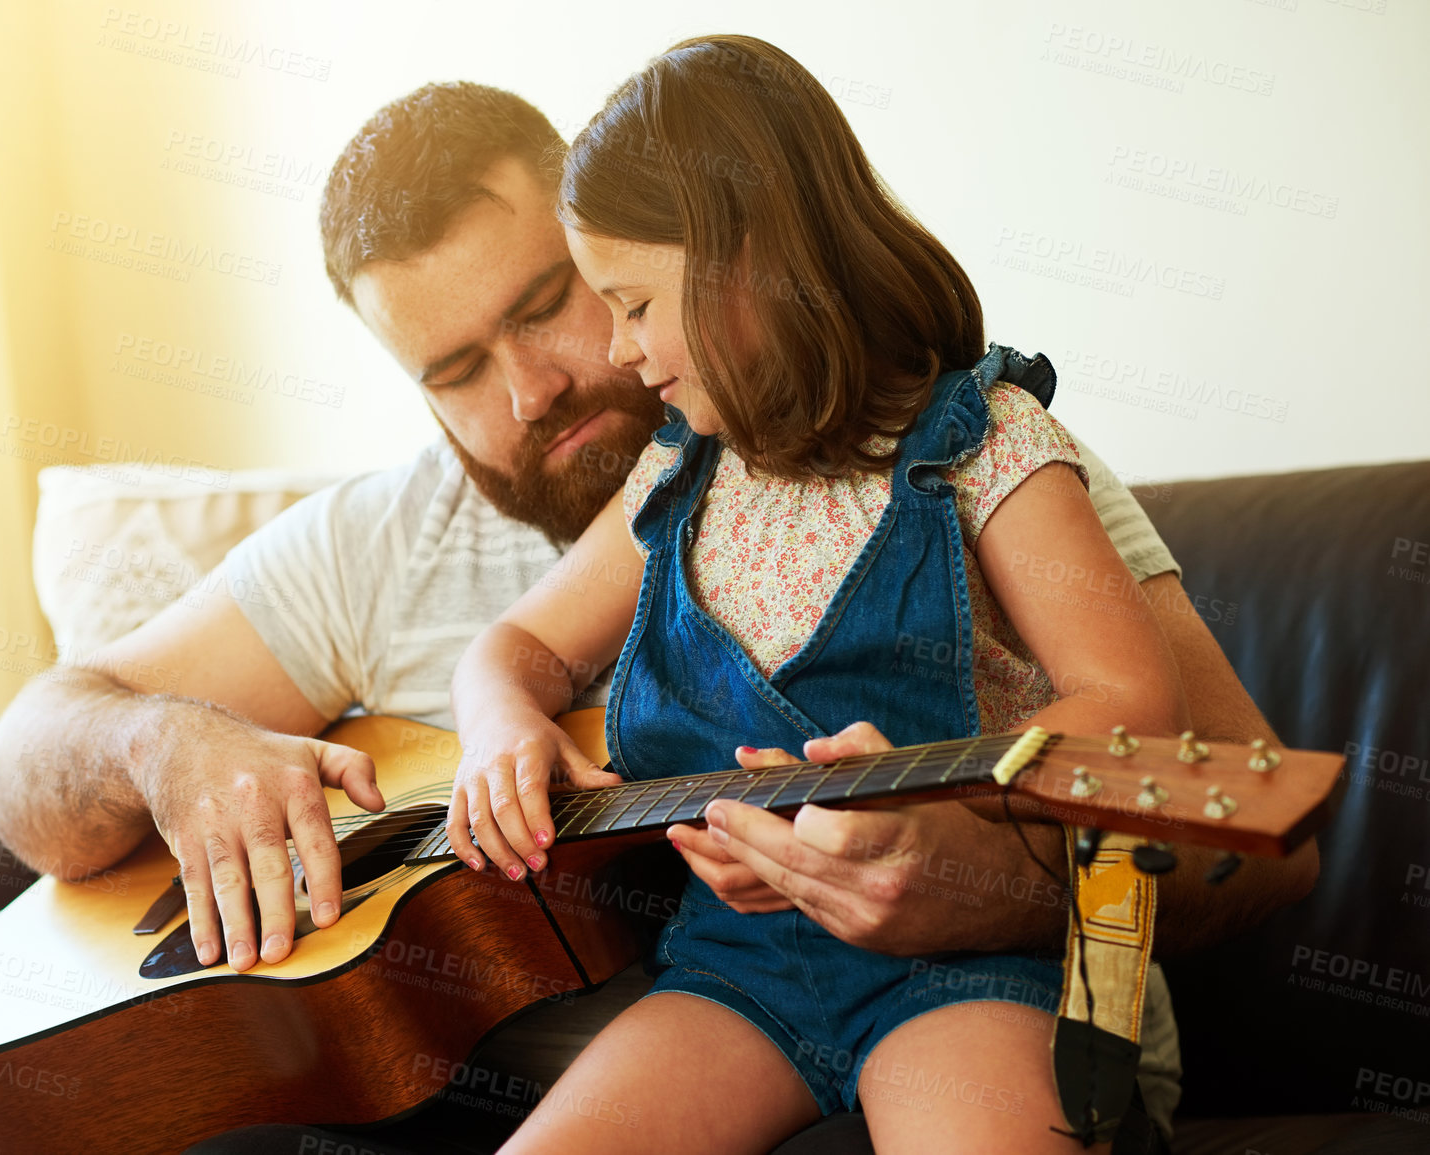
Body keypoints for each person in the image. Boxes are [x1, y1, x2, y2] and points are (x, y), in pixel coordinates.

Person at [0, 76, 1313, 1150]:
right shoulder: (591, 496)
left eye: (575, 302)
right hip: (720, 982)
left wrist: (980, 871)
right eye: (451, 367)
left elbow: (1223, 809)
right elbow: (34, 756)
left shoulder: (989, 447)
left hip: (968, 988)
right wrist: (188, 743)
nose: (549, 382)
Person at [442, 35, 1223, 1155]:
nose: (618, 348)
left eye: (633, 303)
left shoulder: (988, 444)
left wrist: (945, 817)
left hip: (977, 963)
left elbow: (1134, 703)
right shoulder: (676, 477)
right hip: (739, 973)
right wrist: (499, 723)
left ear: (746, 259)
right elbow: (515, 646)